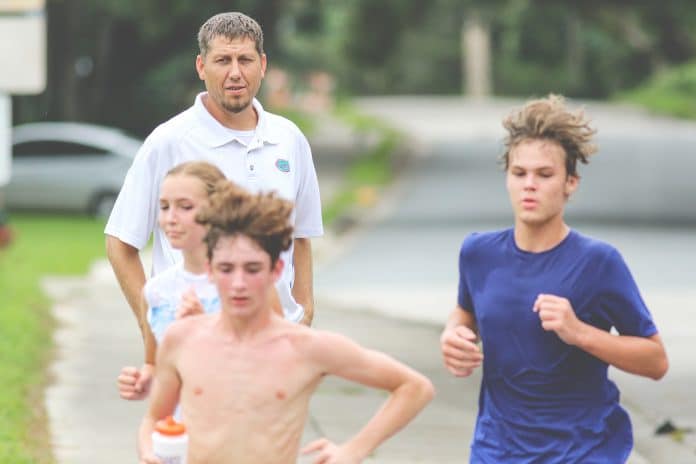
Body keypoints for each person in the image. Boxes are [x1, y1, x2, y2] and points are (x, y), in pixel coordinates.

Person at [439, 95, 668, 463]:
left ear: (570, 183)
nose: (530, 185)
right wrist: (453, 335)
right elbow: (465, 312)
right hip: (496, 449)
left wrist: (579, 332)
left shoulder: (598, 262)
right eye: (519, 173)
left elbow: (655, 361)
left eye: (545, 175)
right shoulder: (478, 253)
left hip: (583, 450)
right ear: (507, 178)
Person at [137, 184, 435, 464]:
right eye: (226, 269)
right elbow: (154, 418)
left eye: (252, 269)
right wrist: (150, 451)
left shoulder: (305, 348)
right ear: (210, 271)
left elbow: (414, 387)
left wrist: (352, 451)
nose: (238, 283)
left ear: (276, 270)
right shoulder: (182, 338)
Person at [104, 12, 323, 360]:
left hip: (279, 343)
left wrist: (304, 309)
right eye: (222, 60)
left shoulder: (289, 139)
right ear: (201, 66)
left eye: (245, 60)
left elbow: (301, 234)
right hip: (197, 343)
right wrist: (153, 326)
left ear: (262, 65)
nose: (235, 72)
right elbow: (120, 241)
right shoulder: (169, 141)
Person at [117, 161, 284, 401]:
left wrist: (205, 330)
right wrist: (143, 381)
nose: (170, 218)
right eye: (164, 207)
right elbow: (157, 368)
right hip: (174, 432)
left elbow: (278, 368)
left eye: (185, 207)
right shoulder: (155, 293)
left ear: (216, 210)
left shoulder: (252, 287)